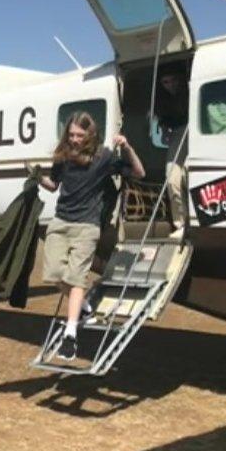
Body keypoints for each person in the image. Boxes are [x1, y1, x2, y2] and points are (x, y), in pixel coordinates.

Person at [40, 112, 145, 360]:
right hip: (60, 222)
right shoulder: (63, 156)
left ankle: (71, 335)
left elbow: (138, 172)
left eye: (79, 135)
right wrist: (36, 178)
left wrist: (127, 147)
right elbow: (54, 185)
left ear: (90, 135)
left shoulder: (103, 157)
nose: (74, 139)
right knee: (54, 275)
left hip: (87, 227)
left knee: (76, 280)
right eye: (71, 134)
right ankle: (86, 308)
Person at [153, 69, 190, 237]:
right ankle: (181, 223)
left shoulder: (190, 91)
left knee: (189, 176)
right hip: (177, 134)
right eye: (165, 82)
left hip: (194, 130)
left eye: (173, 80)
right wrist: (164, 128)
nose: (171, 85)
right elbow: (162, 121)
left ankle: (195, 221)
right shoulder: (163, 102)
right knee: (172, 178)